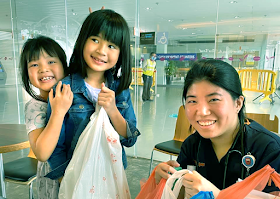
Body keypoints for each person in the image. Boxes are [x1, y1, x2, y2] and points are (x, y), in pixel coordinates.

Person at [155, 59, 280, 198]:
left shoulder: (268, 149)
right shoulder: (192, 145)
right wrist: (169, 181)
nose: (202, 111)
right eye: (192, 101)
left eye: (214, 99)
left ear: (238, 103)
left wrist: (216, 194)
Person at [44, 9, 141, 181]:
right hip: (76, 176)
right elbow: (56, 146)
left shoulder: (120, 90)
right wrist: (65, 179)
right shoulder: (64, 89)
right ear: (83, 41)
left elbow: (129, 139)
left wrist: (112, 110)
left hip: (112, 176)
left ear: (120, 53)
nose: (102, 51)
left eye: (111, 46)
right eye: (95, 40)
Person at [19, 36, 73, 199]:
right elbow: (42, 153)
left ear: (64, 66)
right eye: (34, 65)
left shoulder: (75, 95)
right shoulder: (35, 107)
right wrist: (58, 111)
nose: (43, 69)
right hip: (54, 178)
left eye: (51, 61)